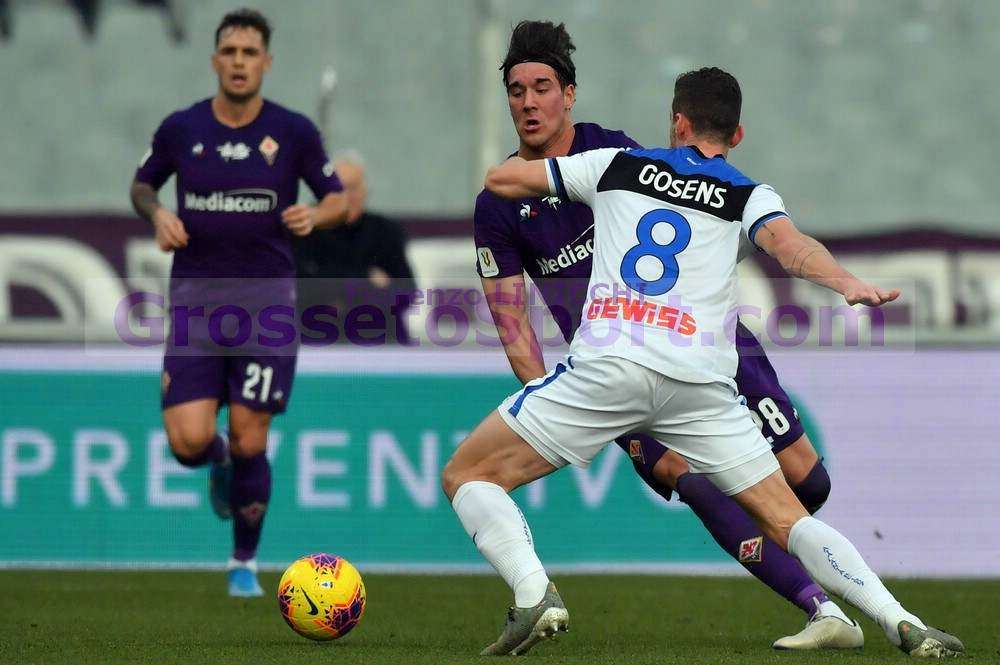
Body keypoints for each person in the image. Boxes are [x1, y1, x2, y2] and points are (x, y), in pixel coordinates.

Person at [443, 65, 965, 658]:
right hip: (698, 381)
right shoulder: (748, 194)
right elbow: (792, 249)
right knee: (788, 519)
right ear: (736, 135)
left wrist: (564, 180)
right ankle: (902, 621)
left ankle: (535, 593)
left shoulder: (615, 164)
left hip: (612, 367)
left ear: (677, 122)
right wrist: (847, 283)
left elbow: (502, 178)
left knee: (467, 474)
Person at [472, 20, 860, 650]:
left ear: (569, 95)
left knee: (806, 481)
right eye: (517, 91)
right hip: (613, 369)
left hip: (708, 338)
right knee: (692, 479)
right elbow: (511, 318)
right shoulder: (498, 206)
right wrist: (555, 404)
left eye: (542, 88)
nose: (528, 103)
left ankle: (825, 578)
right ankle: (821, 607)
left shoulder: (614, 153)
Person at [129, 8, 347, 596]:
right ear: (215, 60)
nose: (239, 62)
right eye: (230, 51)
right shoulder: (182, 129)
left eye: (250, 52)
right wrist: (159, 214)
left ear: (266, 62)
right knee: (187, 444)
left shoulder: (293, 132)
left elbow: (337, 197)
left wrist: (316, 214)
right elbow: (142, 185)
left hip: (266, 308)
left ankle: (243, 562)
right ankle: (218, 461)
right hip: (196, 306)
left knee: (254, 437)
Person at [290, 154, 417, 345]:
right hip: (319, 342)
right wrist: (368, 278)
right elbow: (300, 291)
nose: (348, 196)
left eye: (354, 187)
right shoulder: (302, 230)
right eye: (340, 188)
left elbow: (406, 293)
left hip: (381, 341)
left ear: (365, 191)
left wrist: (331, 283)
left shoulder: (385, 232)